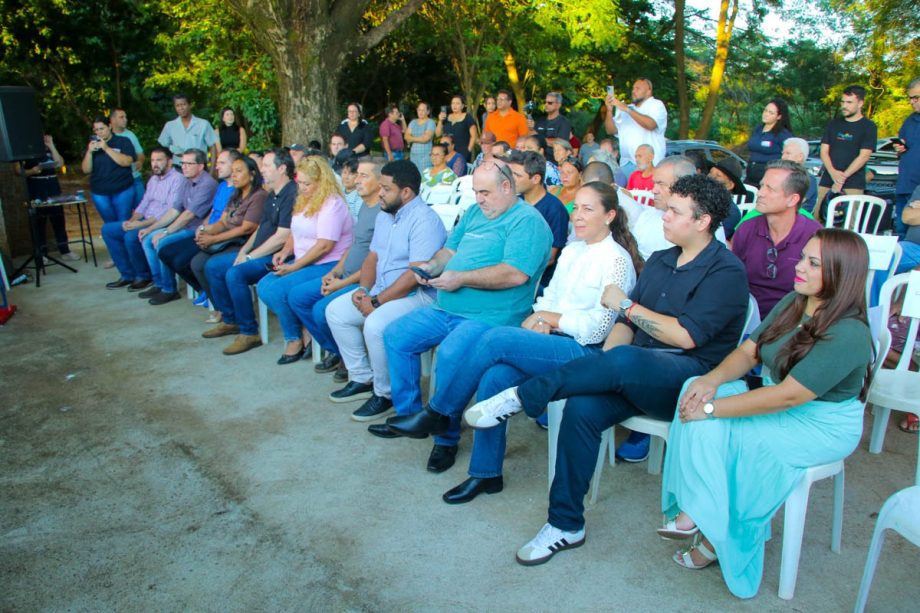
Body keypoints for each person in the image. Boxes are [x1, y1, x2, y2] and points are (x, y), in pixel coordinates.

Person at [462, 173, 749, 567]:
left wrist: (625, 309)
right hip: (633, 369)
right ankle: (565, 524)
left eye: (674, 211)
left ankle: (521, 397)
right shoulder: (663, 260)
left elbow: (684, 337)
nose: (663, 216)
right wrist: (608, 361)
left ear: (702, 221)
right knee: (582, 407)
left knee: (623, 359)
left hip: (686, 382)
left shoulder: (726, 271)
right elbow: (625, 327)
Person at [394, 182, 642, 503]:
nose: (577, 216)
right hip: (553, 340)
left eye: (588, 209)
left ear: (609, 216)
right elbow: (549, 297)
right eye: (576, 208)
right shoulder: (573, 249)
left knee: (496, 337)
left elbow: (599, 329)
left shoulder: (616, 260)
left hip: (588, 352)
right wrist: (540, 318)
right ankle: (486, 473)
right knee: (495, 377)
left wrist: (550, 319)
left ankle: (440, 411)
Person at [660, 228, 872, 599]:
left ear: (841, 273)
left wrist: (712, 408)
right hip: (779, 400)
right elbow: (749, 352)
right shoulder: (795, 300)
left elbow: (788, 397)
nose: (799, 266)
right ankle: (702, 510)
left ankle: (712, 529)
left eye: (813, 263)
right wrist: (711, 381)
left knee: (730, 432)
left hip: (819, 424)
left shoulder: (849, 332)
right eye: (803, 257)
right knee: (693, 388)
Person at [380, 160, 553, 474]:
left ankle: (445, 439)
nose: (479, 198)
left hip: (492, 316)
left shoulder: (527, 221)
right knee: (396, 335)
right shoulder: (475, 212)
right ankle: (412, 416)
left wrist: (461, 278)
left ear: (507, 187)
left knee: (450, 354)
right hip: (446, 306)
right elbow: (449, 251)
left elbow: (515, 274)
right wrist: (431, 267)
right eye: (475, 191)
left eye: (485, 192)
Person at [325, 160, 447, 418]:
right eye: (380, 186)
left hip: (417, 295)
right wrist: (363, 289)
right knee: (335, 312)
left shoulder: (424, 220)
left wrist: (377, 302)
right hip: (381, 290)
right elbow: (373, 257)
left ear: (406, 192)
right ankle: (362, 378)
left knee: (375, 324)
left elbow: (415, 275)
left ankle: (385, 394)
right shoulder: (384, 214)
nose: (380, 193)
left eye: (386, 189)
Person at [291, 158, 386, 379]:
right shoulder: (365, 207)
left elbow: (377, 263)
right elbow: (353, 246)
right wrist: (334, 272)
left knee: (320, 310)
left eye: (363, 175)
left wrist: (341, 283)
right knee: (297, 297)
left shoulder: (382, 213)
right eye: (356, 174)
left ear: (380, 181)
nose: (356, 179)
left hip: (363, 281)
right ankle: (337, 349)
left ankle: (349, 359)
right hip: (344, 274)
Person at [257, 156, 354, 364]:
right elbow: (296, 229)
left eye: (307, 184)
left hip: (329, 263)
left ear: (322, 181)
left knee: (278, 290)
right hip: (306, 260)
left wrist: (294, 268)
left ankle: (297, 339)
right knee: (264, 285)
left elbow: (324, 246)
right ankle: (302, 330)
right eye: (299, 182)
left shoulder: (332, 203)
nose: (301, 188)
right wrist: (285, 251)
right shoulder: (304, 198)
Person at [203, 148, 297, 355]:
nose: (261, 169)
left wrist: (250, 256)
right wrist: (244, 250)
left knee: (235, 273)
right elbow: (261, 227)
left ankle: (249, 332)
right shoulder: (273, 193)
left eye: (266, 166)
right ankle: (231, 320)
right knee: (213, 266)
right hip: (258, 251)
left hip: (279, 256)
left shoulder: (292, 193)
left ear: (282, 168)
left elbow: (282, 236)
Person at [153, 149, 243, 307]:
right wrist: (202, 227)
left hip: (220, 235)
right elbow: (213, 212)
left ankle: (209, 294)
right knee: (165, 251)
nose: (216, 166)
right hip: (206, 231)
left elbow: (226, 221)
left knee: (183, 260)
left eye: (222, 163)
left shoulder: (236, 190)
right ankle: (204, 290)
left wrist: (206, 232)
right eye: (217, 162)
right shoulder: (222, 185)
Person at [732, 160, 821, 318]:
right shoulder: (747, 228)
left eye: (770, 189)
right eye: (761, 186)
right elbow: (732, 276)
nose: (760, 193)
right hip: (744, 314)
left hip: (793, 318)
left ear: (792, 199)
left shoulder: (815, 236)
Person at [180, 156, 267, 315]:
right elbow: (223, 222)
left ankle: (231, 313)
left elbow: (247, 229)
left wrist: (213, 239)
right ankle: (221, 308)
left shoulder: (258, 196)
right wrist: (205, 231)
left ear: (252, 174)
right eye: (232, 171)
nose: (234, 175)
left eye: (238, 171)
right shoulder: (235, 195)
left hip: (244, 243)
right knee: (196, 263)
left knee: (212, 265)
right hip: (228, 239)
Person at [135, 149, 217, 305]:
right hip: (184, 226)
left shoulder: (207, 184)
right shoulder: (186, 181)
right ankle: (159, 283)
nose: (184, 166)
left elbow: (189, 215)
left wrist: (165, 232)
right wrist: (151, 229)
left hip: (196, 229)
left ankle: (169, 289)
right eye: (183, 163)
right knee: (147, 238)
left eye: (189, 163)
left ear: (200, 166)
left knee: (161, 243)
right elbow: (175, 210)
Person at [101, 147, 188, 290]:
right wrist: (132, 221)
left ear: (169, 162)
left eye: (159, 160)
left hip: (163, 223)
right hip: (144, 221)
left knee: (130, 237)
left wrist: (140, 225)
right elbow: (143, 205)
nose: (155, 164)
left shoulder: (178, 180)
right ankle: (127, 275)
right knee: (108, 230)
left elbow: (168, 212)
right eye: (153, 160)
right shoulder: (153, 179)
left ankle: (144, 276)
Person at [816, 85, 877, 223]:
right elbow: (824, 151)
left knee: (849, 223)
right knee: (818, 219)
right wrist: (833, 172)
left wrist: (842, 178)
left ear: (860, 103)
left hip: (853, 182)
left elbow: (864, 156)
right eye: (843, 102)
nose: (844, 106)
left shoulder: (868, 127)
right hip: (828, 179)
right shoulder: (834, 124)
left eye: (849, 102)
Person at [507, 150, 568, 288]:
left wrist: (514, 272)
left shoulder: (555, 209)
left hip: (535, 280)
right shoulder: (513, 202)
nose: (511, 179)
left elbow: (550, 257)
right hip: (509, 265)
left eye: (517, 175)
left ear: (535, 179)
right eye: (511, 174)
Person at [14, 135, 80, 262]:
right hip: (36, 186)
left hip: (52, 185)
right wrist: (32, 171)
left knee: (58, 219)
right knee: (38, 221)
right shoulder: (25, 148)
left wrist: (51, 145)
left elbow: (60, 163)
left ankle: (65, 250)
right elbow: (17, 170)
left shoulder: (48, 147)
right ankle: (41, 253)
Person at [603, 78, 667, 175]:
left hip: (648, 164)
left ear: (649, 91)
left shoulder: (656, 105)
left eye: (638, 88)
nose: (633, 91)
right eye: (633, 88)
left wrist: (627, 109)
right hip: (626, 163)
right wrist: (609, 110)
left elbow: (651, 125)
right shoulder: (626, 108)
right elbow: (610, 131)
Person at [81, 114, 137, 223]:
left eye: (102, 128)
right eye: (96, 130)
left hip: (122, 189)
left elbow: (127, 162)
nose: (99, 132)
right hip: (100, 191)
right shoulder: (92, 145)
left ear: (110, 126)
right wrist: (89, 152)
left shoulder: (123, 141)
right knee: (109, 223)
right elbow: (86, 170)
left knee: (123, 222)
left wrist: (106, 148)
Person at [158, 93, 217, 167]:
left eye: (183, 104)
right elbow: (163, 146)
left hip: (199, 167)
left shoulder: (203, 124)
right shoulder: (170, 125)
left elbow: (212, 146)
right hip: (178, 167)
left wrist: (212, 168)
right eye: (177, 105)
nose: (181, 108)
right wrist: (173, 149)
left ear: (190, 105)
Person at [893, 78, 920, 237]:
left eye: (916, 97)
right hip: (905, 185)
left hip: (918, 190)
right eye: (910, 98)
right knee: (901, 231)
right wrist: (899, 148)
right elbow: (902, 150)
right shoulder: (910, 120)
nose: (912, 102)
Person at [745, 98, 793, 185]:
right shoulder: (758, 129)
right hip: (750, 174)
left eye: (771, 113)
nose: (766, 114)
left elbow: (790, 156)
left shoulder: (783, 134)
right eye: (765, 110)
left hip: (769, 176)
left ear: (779, 116)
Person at [109, 108, 146, 206]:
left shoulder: (130, 135)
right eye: (121, 117)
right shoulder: (107, 136)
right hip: (116, 181)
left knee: (142, 208)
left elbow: (140, 153)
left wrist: (140, 162)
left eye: (125, 117)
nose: (125, 119)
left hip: (134, 178)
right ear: (113, 120)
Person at [706, 158, 746, 239]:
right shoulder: (700, 198)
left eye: (718, 176)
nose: (710, 177)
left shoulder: (731, 213)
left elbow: (713, 239)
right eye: (710, 172)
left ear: (730, 185)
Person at [436, 95, 478, 162]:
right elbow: (438, 134)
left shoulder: (467, 117)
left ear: (462, 106)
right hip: (446, 154)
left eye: (457, 103)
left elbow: (474, 136)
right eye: (453, 103)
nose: (454, 105)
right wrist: (440, 121)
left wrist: (468, 150)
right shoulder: (446, 117)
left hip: (462, 154)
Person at [780, 138, 819, 212]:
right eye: (783, 153)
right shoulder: (780, 175)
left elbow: (792, 203)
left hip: (796, 216)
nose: (783, 157)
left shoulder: (808, 179)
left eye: (788, 153)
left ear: (800, 157)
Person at [402, 102, 436, 172]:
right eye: (419, 110)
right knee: (414, 176)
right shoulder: (413, 122)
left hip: (426, 157)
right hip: (413, 156)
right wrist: (420, 138)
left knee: (424, 176)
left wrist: (412, 138)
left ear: (428, 112)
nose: (420, 112)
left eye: (423, 110)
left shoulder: (430, 122)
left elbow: (425, 139)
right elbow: (406, 136)